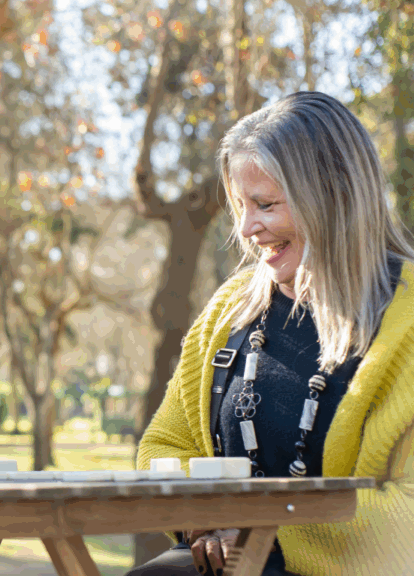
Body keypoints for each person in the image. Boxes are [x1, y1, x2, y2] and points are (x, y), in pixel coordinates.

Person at [127, 91, 414, 576]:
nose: (246, 228)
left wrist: (262, 533)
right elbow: (164, 447)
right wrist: (203, 520)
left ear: (333, 197)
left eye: (264, 204)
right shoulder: (229, 309)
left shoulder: (406, 322)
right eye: (241, 205)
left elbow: (407, 511)